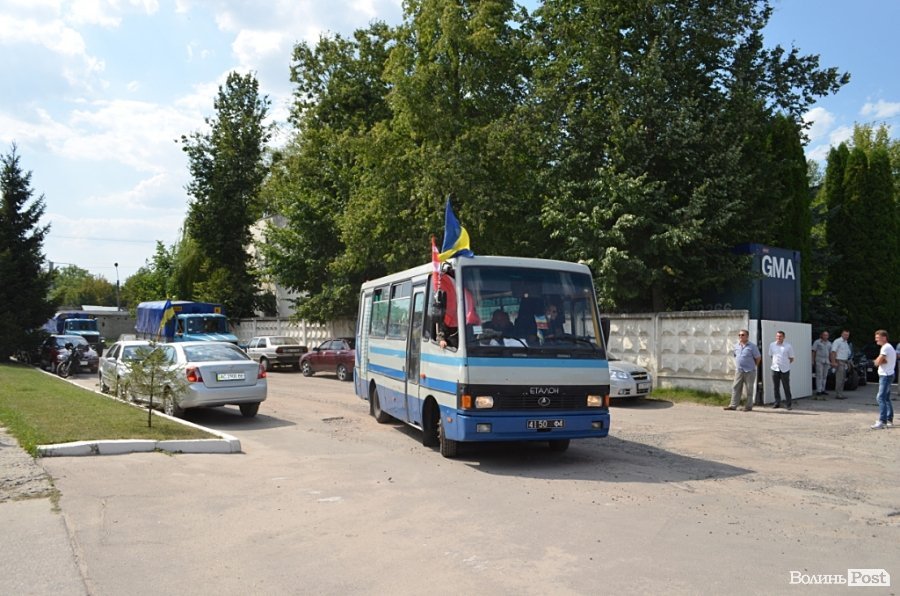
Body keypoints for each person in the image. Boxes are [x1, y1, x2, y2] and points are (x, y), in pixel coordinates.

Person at [725, 329, 761, 411]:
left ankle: (748, 406)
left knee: (749, 389)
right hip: (739, 370)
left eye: (742, 335)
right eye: (739, 335)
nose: (740, 336)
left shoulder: (752, 346)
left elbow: (758, 358)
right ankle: (733, 405)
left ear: (747, 336)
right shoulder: (736, 346)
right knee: (735, 387)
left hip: (749, 371)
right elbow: (736, 356)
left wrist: (753, 366)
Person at [870, 329, 895, 430]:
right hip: (889, 374)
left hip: (885, 376)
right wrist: (879, 361)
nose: (876, 340)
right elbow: (883, 361)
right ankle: (889, 419)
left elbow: (878, 362)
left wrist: (877, 361)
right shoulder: (888, 347)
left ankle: (882, 421)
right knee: (886, 398)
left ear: (884, 338)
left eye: (878, 338)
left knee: (880, 398)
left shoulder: (885, 347)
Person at [769, 330, 795, 410]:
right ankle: (777, 403)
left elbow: (791, 358)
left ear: (784, 337)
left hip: (785, 369)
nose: (778, 338)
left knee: (786, 387)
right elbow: (771, 356)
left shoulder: (788, 346)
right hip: (775, 368)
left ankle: (788, 404)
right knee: (776, 387)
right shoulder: (772, 345)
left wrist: (785, 363)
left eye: (780, 336)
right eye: (777, 336)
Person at [830, 329, 851, 400]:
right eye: (845, 334)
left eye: (847, 335)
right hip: (839, 361)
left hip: (845, 362)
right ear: (841, 334)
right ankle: (838, 394)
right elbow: (833, 352)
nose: (846, 336)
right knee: (839, 378)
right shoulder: (837, 341)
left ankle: (840, 393)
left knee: (843, 378)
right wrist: (833, 362)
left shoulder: (846, 342)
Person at [811, 330, 831, 398]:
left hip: (826, 360)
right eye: (824, 335)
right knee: (819, 375)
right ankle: (818, 390)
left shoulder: (829, 343)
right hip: (819, 360)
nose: (825, 336)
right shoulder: (817, 342)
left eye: (827, 335)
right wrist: (813, 360)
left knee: (825, 376)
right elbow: (814, 351)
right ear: (822, 335)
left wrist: (831, 361)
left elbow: (830, 353)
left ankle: (823, 389)